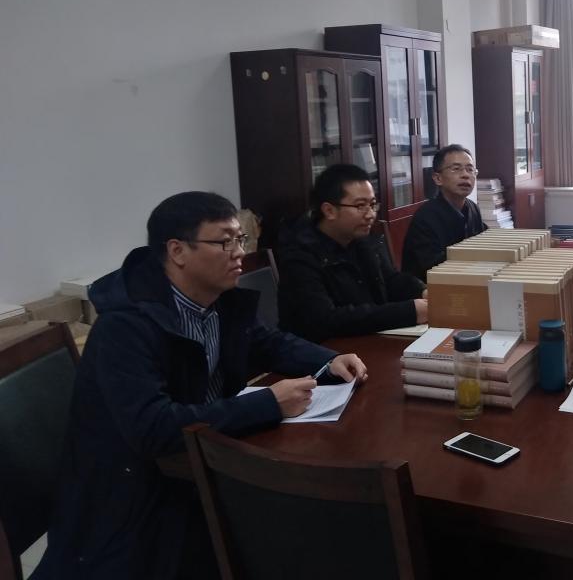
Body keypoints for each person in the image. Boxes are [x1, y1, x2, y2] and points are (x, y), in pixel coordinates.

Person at [36, 192, 368, 580]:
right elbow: (153, 429)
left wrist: (327, 361)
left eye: (240, 239)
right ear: (177, 251)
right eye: (224, 242)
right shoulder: (125, 326)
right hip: (136, 498)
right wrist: (268, 404)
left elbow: (267, 342)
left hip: (199, 465)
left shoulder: (218, 299)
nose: (239, 252)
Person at [276, 163, 427, 342]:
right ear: (329, 211)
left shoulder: (363, 241)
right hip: (326, 350)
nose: (370, 214)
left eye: (372, 205)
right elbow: (325, 320)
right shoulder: (299, 256)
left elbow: (391, 280)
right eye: (360, 206)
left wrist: (423, 291)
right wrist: (409, 311)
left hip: (368, 340)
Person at [402, 144, 487, 281]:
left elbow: (484, 241)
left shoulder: (472, 208)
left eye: (470, 169)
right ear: (438, 178)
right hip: (432, 287)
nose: (465, 175)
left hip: (468, 279)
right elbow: (429, 267)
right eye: (456, 169)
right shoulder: (425, 217)